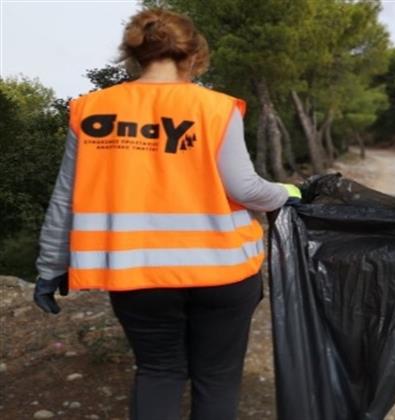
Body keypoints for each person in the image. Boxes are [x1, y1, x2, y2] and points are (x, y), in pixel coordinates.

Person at [32, 8, 299, 420]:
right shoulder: (214, 108)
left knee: (158, 371)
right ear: (193, 54)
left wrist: (51, 266)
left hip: (137, 273)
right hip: (222, 272)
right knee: (217, 378)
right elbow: (244, 188)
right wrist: (289, 192)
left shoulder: (91, 110)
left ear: (133, 53)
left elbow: (66, 197)